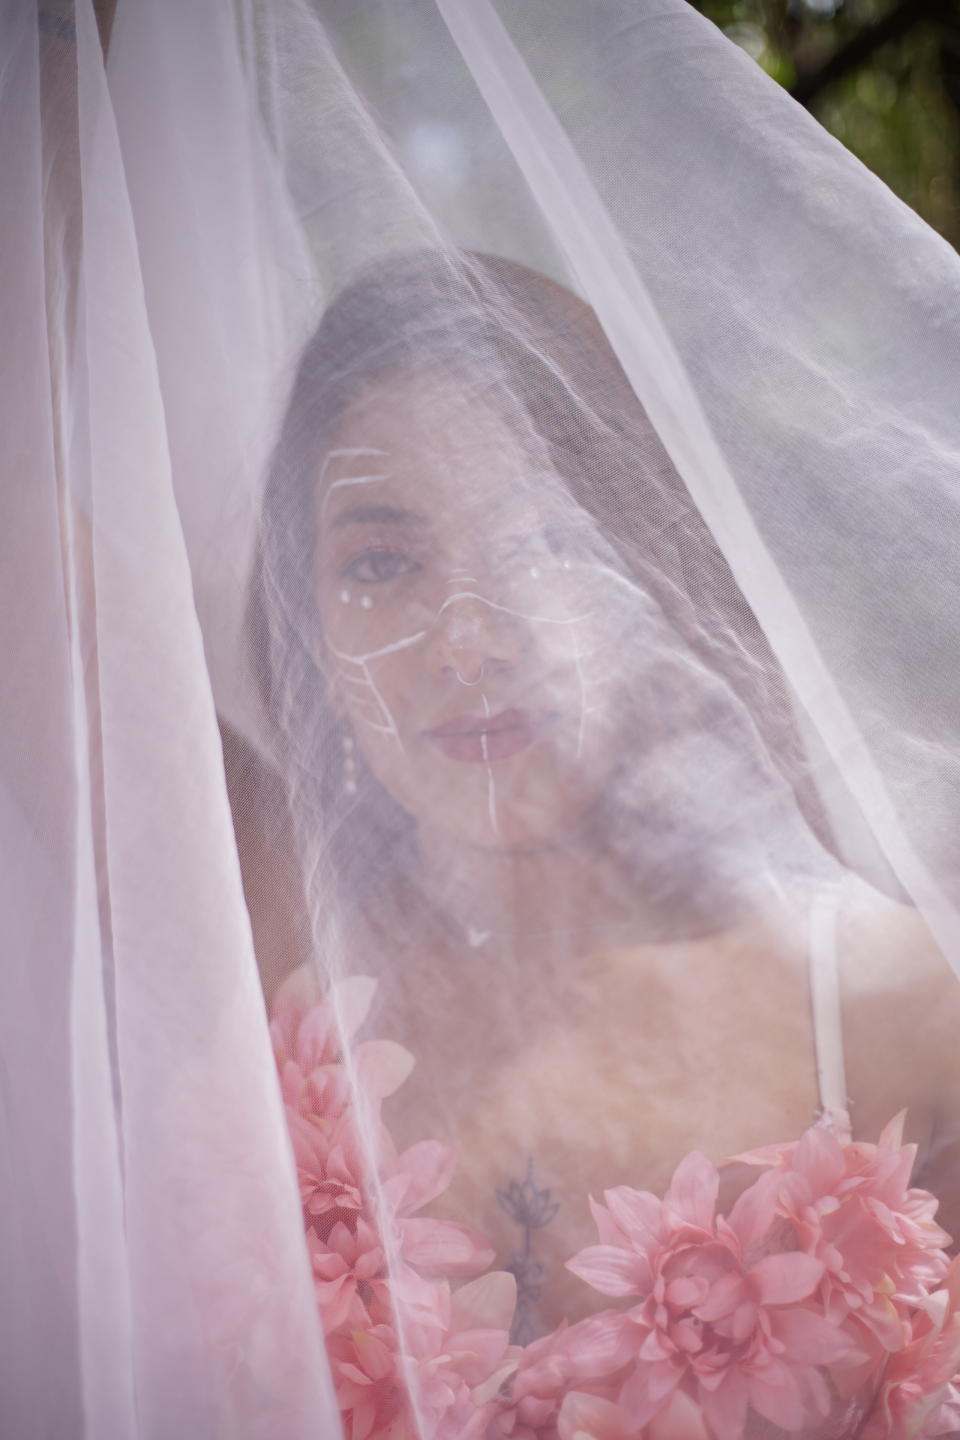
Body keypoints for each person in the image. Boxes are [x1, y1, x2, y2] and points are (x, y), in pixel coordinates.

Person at [246, 248, 960, 1357]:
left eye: (547, 543)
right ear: (307, 628)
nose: (469, 640)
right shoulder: (262, 970)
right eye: (382, 563)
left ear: (653, 576)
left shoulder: (898, 1012)